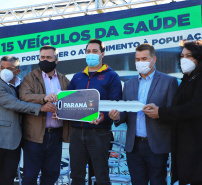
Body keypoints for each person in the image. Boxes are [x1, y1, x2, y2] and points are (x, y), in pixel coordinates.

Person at [109, 43, 178, 185]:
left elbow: (173, 113)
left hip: (157, 145)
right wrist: (117, 117)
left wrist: (159, 113)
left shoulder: (169, 82)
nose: (140, 62)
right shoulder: (129, 84)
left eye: (144, 58)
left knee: (158, 182)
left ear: (154, 60)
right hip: (133, 146)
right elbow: (125, 112)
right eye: (138, 59)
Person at [0, 56, 54, 185]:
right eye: (2, 68)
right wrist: (41, 107)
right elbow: (14, 103)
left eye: (9, 68)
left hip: (14, 141)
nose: (5, 71)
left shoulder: (22, 85)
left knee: (7, 178)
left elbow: (28, 98)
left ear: (17, 71)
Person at [143, 41, 202, 185]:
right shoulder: (188, 79)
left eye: (189, 56)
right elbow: (177, 108)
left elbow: (195, 107)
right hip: (185, 144)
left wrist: (161, 112)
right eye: (182, 56)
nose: (184, 59)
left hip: (196, 145)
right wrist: (158, 111)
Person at [68, 39, 122, 185]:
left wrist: (103, 116)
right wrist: (60, 110)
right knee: (76, 176)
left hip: (99, 132)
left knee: (101, 176)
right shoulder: (77, 77)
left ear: (102, 54)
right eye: (88, 51)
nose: (91, 54)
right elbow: (67, 101)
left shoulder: (112, 76)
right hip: (77, 132)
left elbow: (115, 103)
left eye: (95, 51)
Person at [19, 45, 70, 185]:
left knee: (52, 174)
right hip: (34, 136)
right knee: (30, 175)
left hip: (56, 135)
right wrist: (44, 98)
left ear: (56, 60)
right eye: (42, 57)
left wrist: (62, 112)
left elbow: (71, 101)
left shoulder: (63, 80)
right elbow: (23, 96)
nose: (45, 60)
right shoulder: (30, 77)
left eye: (49, 57)